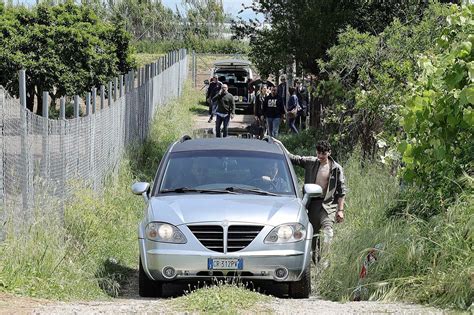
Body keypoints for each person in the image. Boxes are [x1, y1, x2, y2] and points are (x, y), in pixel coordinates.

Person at [274, 139, 347, 263]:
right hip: (312, 203)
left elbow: (342, 191)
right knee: (314, 234)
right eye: (318, 153)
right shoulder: (311, 162)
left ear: (329, 153)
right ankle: (315, 259)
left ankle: (325, 260)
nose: (320, 156)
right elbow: (292, 158)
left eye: (323, 154)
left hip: (328, 204)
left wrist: (340, 210)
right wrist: (278, 143)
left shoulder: (336, 168)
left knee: (328, 231)